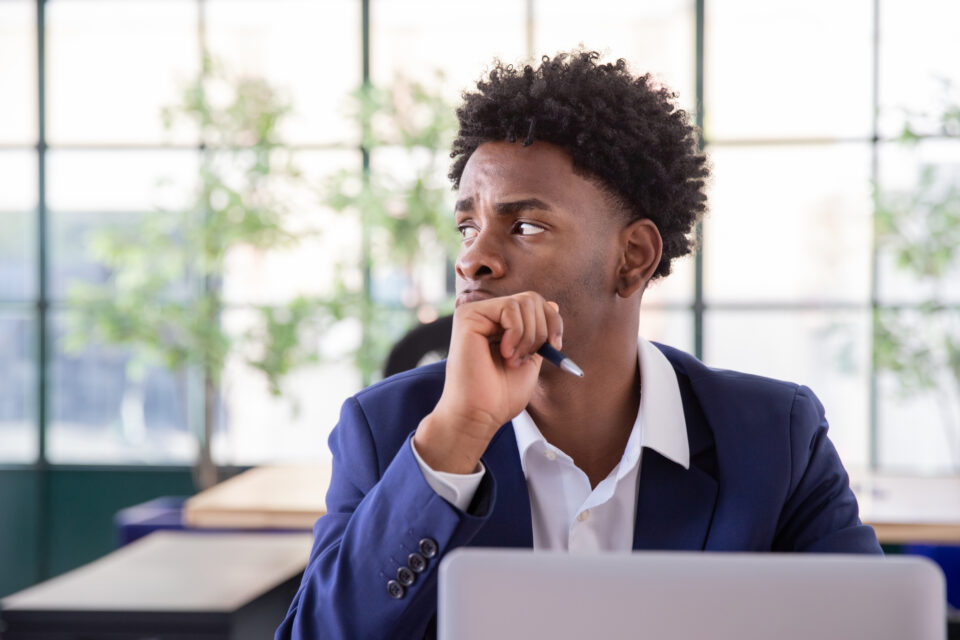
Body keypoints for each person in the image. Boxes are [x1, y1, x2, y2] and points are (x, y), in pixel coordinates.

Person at [275, 49, 881, 640]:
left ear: (633, 257)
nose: (473, 259)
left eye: (526, 226)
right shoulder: (391, 432)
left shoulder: (776, 438)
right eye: (467, 226)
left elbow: (875, 622)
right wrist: (458, 434)